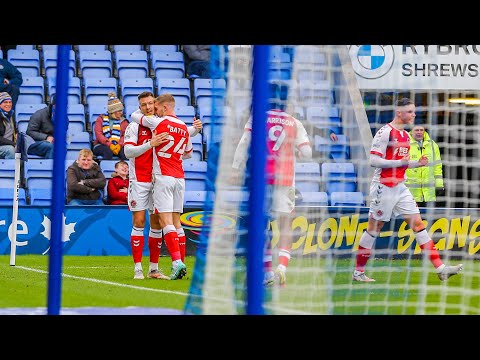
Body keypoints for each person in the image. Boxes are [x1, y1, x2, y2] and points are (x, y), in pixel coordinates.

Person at [352, 98, 463, 282]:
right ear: (399, 112)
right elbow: (373, 161)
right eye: (410, 111)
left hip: (400, 187)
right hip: (384, 186)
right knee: (374, 228)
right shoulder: (385, 132)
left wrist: (416, 164)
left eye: (414, 111)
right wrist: (399, 163)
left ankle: (441, 269)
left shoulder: (405, 135)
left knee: (418, 225)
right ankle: (358, 272)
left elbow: (402, 164)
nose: (414, 115)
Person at [231, 106, 313, 287]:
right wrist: (297, 152)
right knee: (285, 225)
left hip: (262, 179)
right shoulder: (294, 122)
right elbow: (307, 153)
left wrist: (236, 168)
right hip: (285, 180)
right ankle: (281, 269)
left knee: (261, 225)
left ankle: (267, 271)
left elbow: (244, 142)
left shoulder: (258, 117)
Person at [124, 91, 202, 280]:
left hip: (159, 179)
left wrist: (193, 129)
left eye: (151, 104)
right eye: (144, 105)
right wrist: (149, 145)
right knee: (140, 222)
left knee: (159, 223)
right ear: (140, 107)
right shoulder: (136, 126)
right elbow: (127, 152)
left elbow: (183, 140)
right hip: (141, 179)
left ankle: (154, 269)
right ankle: (138, 269)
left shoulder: (158, 122)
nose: (149, 107)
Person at [405, 123, 445, 207]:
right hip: (410, 191)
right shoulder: (405, 144)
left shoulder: (433, 145)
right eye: (416, 130)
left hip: (428, 192)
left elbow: (437, 166)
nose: (419, 132)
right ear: (411, 131)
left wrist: (439, 184)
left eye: (421, 130)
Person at [93, 92, 129, 161]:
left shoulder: (124, 121)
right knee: (108, 152)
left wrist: (119, 144)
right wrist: (110, 144)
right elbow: (99, 134)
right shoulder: (101, 119)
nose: (121, 113)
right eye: (119, 111)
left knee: (125, 153)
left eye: (121, 110)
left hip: (119, 145)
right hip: (101, 144)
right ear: (113, 111)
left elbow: (126, 135)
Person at [26, 94, 56, 159]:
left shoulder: (64, 119)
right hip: (34, 144)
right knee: (51, 147)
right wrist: (46, 137)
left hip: (52, 143)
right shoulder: (39, 114)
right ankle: (48, 168)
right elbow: (30, 132)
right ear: (53, 105)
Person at [0, 92, 17, 159]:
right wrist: (13, 144)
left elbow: (14, 129)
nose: (8, 104)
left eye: (10, 102)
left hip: (9, 144)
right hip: (5, 146)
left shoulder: (10, 115)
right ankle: (11, 169)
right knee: (10, 150)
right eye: (5, 102)